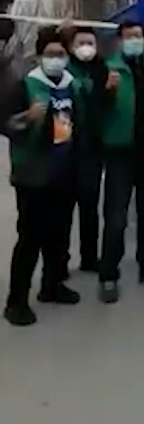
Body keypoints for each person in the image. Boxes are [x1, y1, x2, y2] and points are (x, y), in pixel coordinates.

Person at [2, 26, 82, 326]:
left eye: (61, 53)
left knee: (59, 235)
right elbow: (7, 124)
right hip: (33, 175)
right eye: (50, 53)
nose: (56, 59)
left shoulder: (70, 84)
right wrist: (27, 118)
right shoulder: (24, 85)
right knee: (30, 238)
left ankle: (52, 285)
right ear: (39, 56)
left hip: (64, 170)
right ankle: (16, 301)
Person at [98, 21, 144, 303]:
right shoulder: (110, 69)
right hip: (120, 150)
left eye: (138, 35)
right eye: (129, 36)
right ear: (119, 40)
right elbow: (96, 108)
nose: (135, 40)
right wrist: (106, 91)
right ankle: (108, 274)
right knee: (116, 217)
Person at [65, 27, 108, 272]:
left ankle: (90, 257)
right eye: (81, 42)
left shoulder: (101, 69)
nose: (86, 47)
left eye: (90, 42)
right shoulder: (65, 69)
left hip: (92, 147)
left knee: (89, 206)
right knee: (63, 209)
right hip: (65, 148)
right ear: (72, 46)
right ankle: (59, 262)